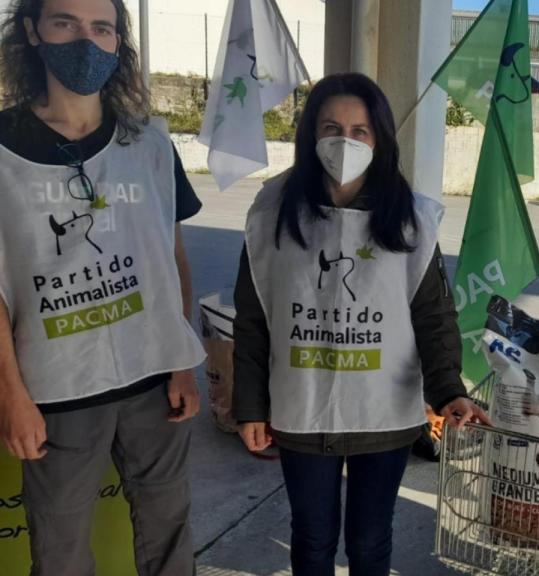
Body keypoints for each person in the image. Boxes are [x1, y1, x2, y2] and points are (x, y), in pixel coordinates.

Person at [231, 72, 489, 576]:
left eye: (359, 131)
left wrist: (447, 390)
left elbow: (432, 314)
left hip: (383, 417)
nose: (343, 142)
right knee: (311, 537)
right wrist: (250, 406)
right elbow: (255, 314)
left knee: (371, 541)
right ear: (310, 135)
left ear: (379, 139)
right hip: (301, 408)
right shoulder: (272, 213)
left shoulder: (410, 217)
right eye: (331, 128)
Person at [0, 0, 207, 574]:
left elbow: (171, 259)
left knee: (169, 530)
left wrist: (181, 362)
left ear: (119, 43)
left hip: (151, 383)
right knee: (59, 547)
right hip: (58, 390)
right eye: (65, 22)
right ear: (32, 31)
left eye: (102, 28)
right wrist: (11, 395)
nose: (86, 42)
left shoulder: (149, 146)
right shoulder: (2, 150)